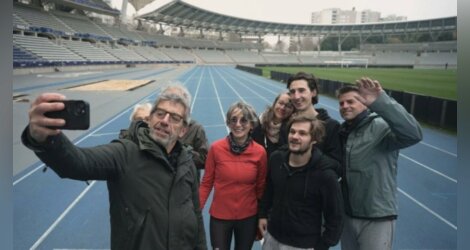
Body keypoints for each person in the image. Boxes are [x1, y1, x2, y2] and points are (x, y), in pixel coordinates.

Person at [21, 89, 207, 250]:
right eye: (160, 113)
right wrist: (45, 139)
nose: (165, 121)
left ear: (183, 130)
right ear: (150, 119)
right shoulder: (124, 153)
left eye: (174, 118)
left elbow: (197, 218)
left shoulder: (187, 163)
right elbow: (78, 163)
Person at [337, 78, 423, 250]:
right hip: (347, 215)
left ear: (364, 103)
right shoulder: (342, 132)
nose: (345, 106)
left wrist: (381, 101)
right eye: (341, 103)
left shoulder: (381, 127)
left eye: (351, 101)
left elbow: (413, 134)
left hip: (376, 217)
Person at [258, 114, 344, 250]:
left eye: (302, 133)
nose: (295, 136)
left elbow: (335, 217)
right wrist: (262, 214)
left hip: (302, 245)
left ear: (314, 139)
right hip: (272, 238)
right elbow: (269, 190)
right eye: (292, 131)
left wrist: (323, 245)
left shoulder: (325, 175)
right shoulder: (276, 159)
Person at [199, 101, 268, 250]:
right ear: (228, 123)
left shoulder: (260, 152)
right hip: (220, 217)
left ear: (251, 125)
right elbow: (206, 183)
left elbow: (261, 187)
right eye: (233, 120)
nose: (238, 124)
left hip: (248, 217)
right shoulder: (216, 149)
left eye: (243, 120)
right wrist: (196, 209)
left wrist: (262, 215)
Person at [286, 72, 341, 162]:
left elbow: (336, 163)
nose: (296, 96)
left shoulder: (331, 126)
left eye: (301, 90)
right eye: (292, 92)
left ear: (313, 92)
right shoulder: (288, 123)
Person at [252, 91, 294, 157]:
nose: (283, 108)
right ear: (274, 103)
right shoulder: (260, 123)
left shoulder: (291, 131)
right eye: (280, 103)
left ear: (293, 110)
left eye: (288, 106)